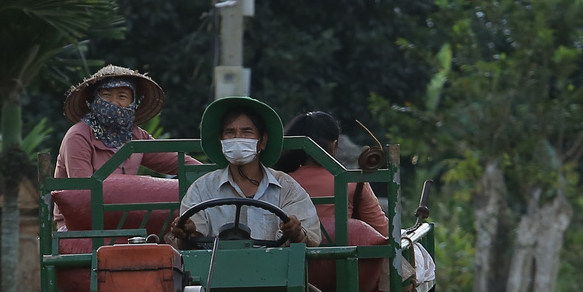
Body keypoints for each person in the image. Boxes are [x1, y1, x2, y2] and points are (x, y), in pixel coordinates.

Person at [170, 97, 322, 248]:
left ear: (262, 141)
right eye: (230, 132)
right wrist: (186, 232)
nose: (237, 139)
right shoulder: (201, 189)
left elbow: (310, 240)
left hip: (272, 269)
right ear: (221, 141)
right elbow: (188, 245)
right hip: (216, 270)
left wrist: (295, 232)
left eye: (246, 132)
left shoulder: (287, 188)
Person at [53, 65, 191, 182]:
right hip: (81, 213)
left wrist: (209, 173)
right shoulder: (79, 136)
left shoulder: (136, 135)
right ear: (94, 99)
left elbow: (176, 162)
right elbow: (82, 191)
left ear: (133, 103)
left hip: (123, 211)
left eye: (122, 96)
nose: (114, 102)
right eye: (106, 95)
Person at [275, 111, 388, 234]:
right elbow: (383, 230)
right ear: (334, 145)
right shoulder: (351, 183)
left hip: (289, 251)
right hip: (342, 252)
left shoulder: (278, 182)